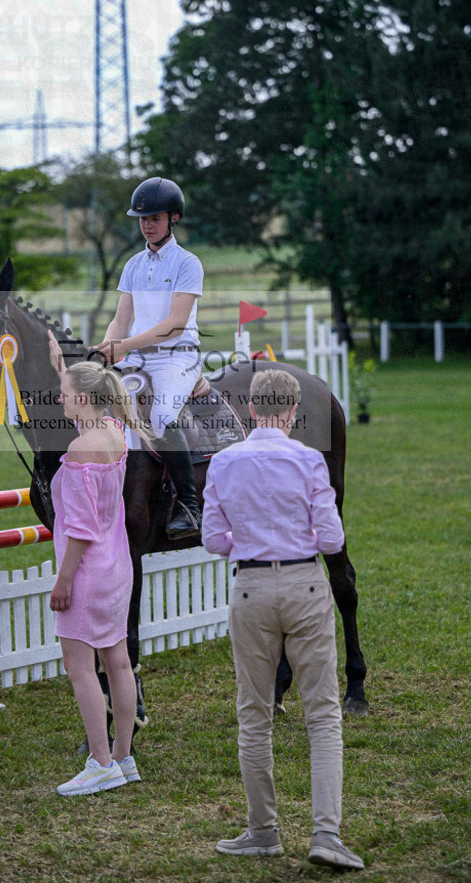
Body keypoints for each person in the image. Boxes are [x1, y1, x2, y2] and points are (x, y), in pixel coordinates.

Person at [201, 369, 364, 871]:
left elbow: (212, 539)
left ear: (251, 409)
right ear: (294, 412)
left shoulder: (223, 462)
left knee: (254, 714)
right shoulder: (310, 460)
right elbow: (333, 540)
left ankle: (263, 830)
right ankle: (326, 833)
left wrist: (247, 541)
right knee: (323, 715)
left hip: (250, 588)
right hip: (305, 585)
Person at [47, 333, 154, 795]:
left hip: (86, 571)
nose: (59, 398)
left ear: (84, 399)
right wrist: (60, 366)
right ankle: (125, 758)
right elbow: (89, 390)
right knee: (119, 663)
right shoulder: (115, 431)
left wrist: (63, 580)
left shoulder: (79, 449)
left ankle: (100, 760)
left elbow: (82, 528)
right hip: (117, 568)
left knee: (80, 667)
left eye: (65, 393)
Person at [91, 176, 204, 539]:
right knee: (94, 402)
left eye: (154, 217)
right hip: (136, 357)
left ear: (173, 218)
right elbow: (120, 320)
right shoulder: (134, 265)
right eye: (142, 218)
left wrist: (123, 346)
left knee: (161, 414)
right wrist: (105, 349)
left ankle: (189, 504)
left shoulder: (188, 263)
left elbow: (174, 324)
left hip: (176, 356)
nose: (147, 224)